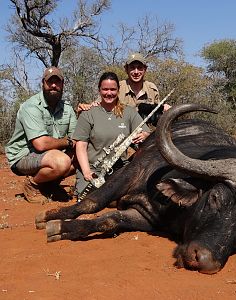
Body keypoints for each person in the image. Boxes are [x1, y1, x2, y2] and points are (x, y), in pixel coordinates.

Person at [5, 66, 77, 204]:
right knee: (62, 161)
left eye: (57, 82)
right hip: (24, 156)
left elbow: (76, 138)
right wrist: (68, 142)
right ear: (43, 83)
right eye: (50, 82)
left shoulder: (67, 108)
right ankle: (33, 184)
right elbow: (41, 144)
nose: (54, 86)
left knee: (82, 156)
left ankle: (49, 185)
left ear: (63, 84)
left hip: (51, 155)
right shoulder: (31, 106)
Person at [73, 71, 150, 197]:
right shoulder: (88, 114)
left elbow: (146, 132)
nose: (109, 93)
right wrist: (87, 172)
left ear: (118, 90)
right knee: (90, 199)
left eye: (113, 89)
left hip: (119, 169)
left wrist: (145, 135)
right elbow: (80, 146)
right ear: (99, 90)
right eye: (105, 89)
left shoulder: (129, 112)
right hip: (94, 168)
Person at [78, 52, 171, 122]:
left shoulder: (152, 88)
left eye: (139, 67)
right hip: (120, 132)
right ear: (126, 69)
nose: (136, 72)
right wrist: (86, 107)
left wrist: (166, 110)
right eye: (132, 67)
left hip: (145, 136)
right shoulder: (116, 88)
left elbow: (158, 114)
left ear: (145, 69)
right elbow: (97, 105)